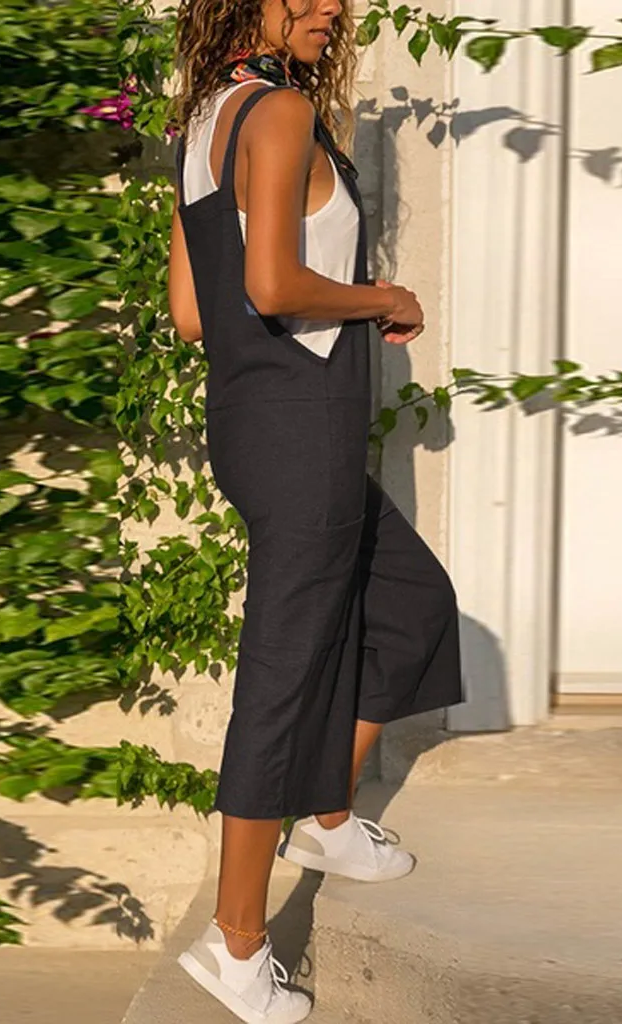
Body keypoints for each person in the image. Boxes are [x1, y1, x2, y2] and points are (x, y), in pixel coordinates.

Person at [166, 0, 464, 1019]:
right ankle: (236, 943)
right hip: (302, 430)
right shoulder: (282, 114)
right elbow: (272, 286)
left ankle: (326, 818)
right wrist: (382, 298)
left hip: (256, 425)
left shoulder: (206, 121)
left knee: (412, 603)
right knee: (283, 678)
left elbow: (192, 312)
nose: (333, 9)